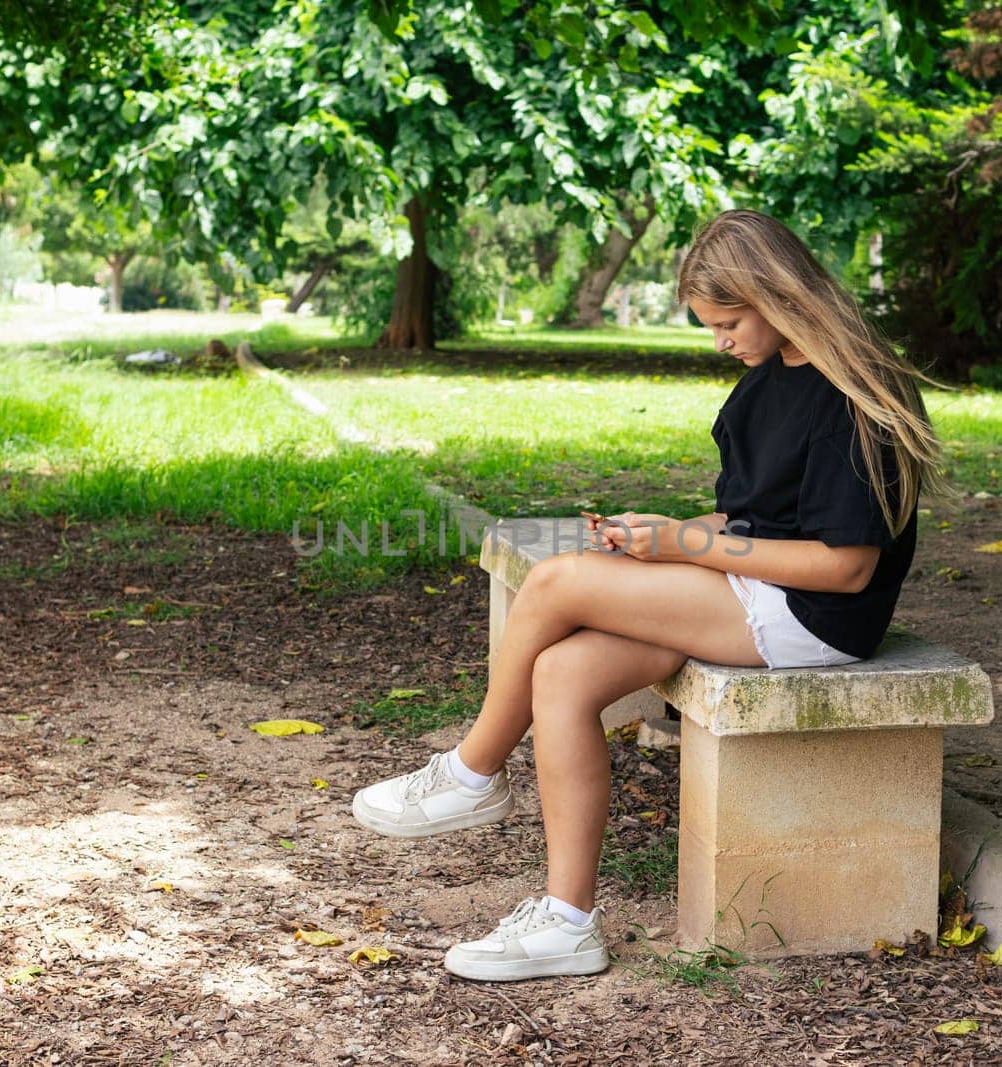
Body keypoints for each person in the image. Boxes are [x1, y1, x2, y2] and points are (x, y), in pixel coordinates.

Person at [350, 209, 948, 982]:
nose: (721, 341)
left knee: (558, 579)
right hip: (750, 590)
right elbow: (754, 518)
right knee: (562, 674)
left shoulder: (849, 392)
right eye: (711, 326)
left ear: (778, 295)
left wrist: (683, 545)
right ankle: (566, 923)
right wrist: (662, 534)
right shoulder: (768, 382)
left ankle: (472, 773)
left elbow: (845, 567)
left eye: (729, 321)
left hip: (815, 617)